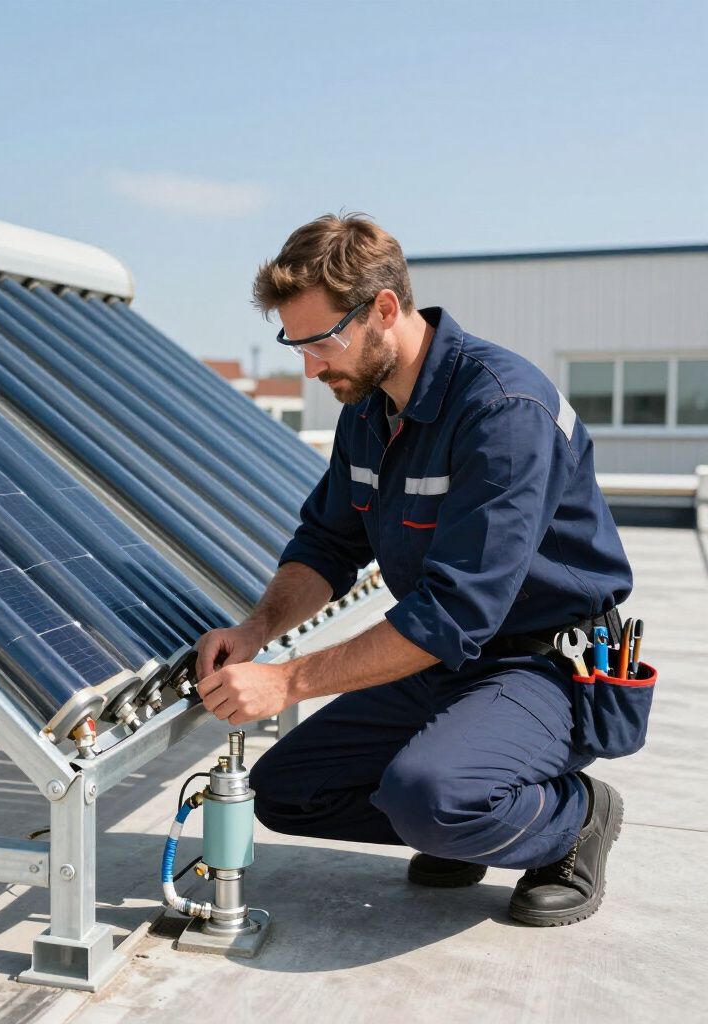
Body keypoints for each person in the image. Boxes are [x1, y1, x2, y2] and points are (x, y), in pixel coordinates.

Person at [195, 213, 633, 926]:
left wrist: (287, 681)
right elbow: (328, 545)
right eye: (293, 342)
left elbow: (456, 612)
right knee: (286, 792)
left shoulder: (503, 409)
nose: (309, 365)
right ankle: (464, 810)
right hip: (443, 662)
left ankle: (573, 818)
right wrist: (257, 632)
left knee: (429, 796)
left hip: (545, 665)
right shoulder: (367, 409)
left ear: (385, 310)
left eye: (319, 340)